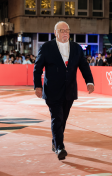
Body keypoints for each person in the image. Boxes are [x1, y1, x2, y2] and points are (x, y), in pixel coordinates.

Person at [34, 21, 94, 160]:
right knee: (57, 117)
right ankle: (60, 146)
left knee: (63, 119)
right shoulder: (47, 47)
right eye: (62, 30)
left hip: (70, 90)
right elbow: (37, 69)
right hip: (52, 91)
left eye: (67, 30)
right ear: (55, 32)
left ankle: (55, 142)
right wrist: (37, 86)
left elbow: (84, 66)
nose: (65, 33)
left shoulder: (76, 48)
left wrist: (89, 82)